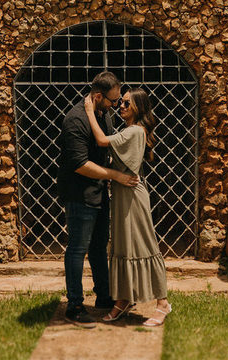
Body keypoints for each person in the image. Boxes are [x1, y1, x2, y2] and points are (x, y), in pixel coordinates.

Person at [83, 86, 172, 327]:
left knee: (144, 245)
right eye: (120, 102)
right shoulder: (128, 130)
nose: (120, 107)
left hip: (133, 196)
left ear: (138, 108)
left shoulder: (134, 131)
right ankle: (123, 299)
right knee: (122, 246)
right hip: (122, 195)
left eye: (126, 103)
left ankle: (162, 302)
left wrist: (89, 112)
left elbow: (102, 141)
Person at [57, 71, 139, 326]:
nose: (117, 105)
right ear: (97, 96)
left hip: (99, 191)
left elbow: (106, 146)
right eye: (113, 101)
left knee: (99, 246)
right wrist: (115, 175)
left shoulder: (103, 115)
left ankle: (104, 296)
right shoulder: (75, 120)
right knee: (77, 249)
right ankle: (74, 305)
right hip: (79, 194)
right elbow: (80, 164)